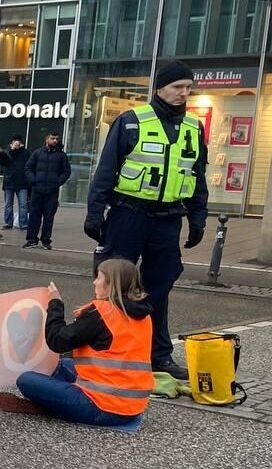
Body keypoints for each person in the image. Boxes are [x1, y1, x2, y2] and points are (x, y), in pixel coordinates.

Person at [84, 60, 208, 381]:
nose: (184, 93)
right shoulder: (131, 122)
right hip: (129, 213)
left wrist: (197, 219)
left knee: (159, 287)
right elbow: (106, 171)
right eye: (177, 87)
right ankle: (102, 345)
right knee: (112, 282)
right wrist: (95, 212)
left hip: (168, 218)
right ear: (160, 88)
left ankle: (158, 355)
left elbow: (197, 177)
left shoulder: (194, 128)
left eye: (188, 88)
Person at [0, 259, 153, 426]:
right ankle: (57, 401)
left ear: (109, 284)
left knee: (26, 380)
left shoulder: (102, 313)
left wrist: (55, 304)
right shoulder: (143, 314)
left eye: (98, 278)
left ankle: (52, 405)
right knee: (60, 364)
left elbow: (58, 341)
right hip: (133, 405)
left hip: (103, 408)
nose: (94, 282)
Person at [24, 131, 72, 249]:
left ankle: (46, 240)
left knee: (49, 217)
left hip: (52, 191)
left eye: (56, 138)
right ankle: (31, 239)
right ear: (47, 139)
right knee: (34, 215)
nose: (55, 140)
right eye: (52, 138)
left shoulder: (61, 155)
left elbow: (66, 171)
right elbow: (28, 168)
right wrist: (33, 180)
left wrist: (57, 182)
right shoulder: (37, 153)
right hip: (37, 190)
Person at [1, 134, 31, 232]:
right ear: (11, 143)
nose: (17, 143)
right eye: (15, 142)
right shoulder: (7, 152)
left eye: (18, 142)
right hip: (9, 182)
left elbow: (29, 165)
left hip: (22, 182)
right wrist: (12, 150)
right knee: (8, 204)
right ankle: (8, 223)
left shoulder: (25, 153)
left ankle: (23, 224)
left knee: (23, 204)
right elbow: (4, 162)